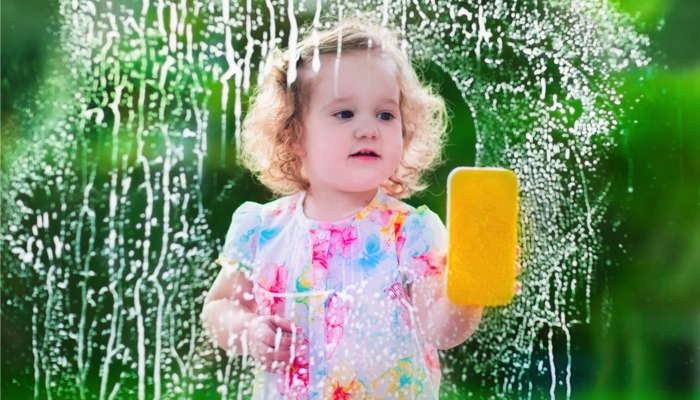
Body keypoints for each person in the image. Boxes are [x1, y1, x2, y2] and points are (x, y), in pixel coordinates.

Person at [201, 16, 520, 400]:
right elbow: (218, 307)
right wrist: (248, 332)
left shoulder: (410, 231)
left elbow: (440, 332)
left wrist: (468, 290)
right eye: (344, 113)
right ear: (293, 133)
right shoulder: (262, 229)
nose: (369, 128)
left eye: (385, 115)